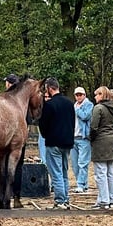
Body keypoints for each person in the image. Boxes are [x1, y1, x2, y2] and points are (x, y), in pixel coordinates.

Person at [37, 77, 75, 209]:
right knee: (64, 172)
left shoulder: (49, 105)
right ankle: (65, 199)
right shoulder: (70, 103)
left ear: (49, 88)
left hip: (54, 142)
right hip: (67, 142)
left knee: (56, 173)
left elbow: (43, 124)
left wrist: (46, 135)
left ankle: (60, 201)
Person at [89, 85, 113, 209]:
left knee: (100, 172)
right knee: (110, 171)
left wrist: (91, 138)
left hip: (101, 141)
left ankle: (103, 200)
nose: (95, 97)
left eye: (97, 94)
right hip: (112, 140)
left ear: (102, 95)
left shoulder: (98, 108)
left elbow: (94, 127)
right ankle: (112, 199)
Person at [5, 73, 26, 208]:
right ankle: (16, 197)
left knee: (7, 166)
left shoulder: (6, 99)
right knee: (18, 167)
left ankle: (8, 195)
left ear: (9, 84)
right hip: (20, 136)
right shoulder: (23, 100)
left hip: (7, 137)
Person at [71, 86, 93, 193]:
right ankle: (83, 184)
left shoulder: (89, 105)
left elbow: (85, 116)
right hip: (73, 137)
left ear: (84, 95)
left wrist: (77, 110)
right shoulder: (74, 105)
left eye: (80, 94)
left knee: (82, 163)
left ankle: (80, 184)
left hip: (84, 137)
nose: (78, 96)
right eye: (77, 95)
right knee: (75, 164)